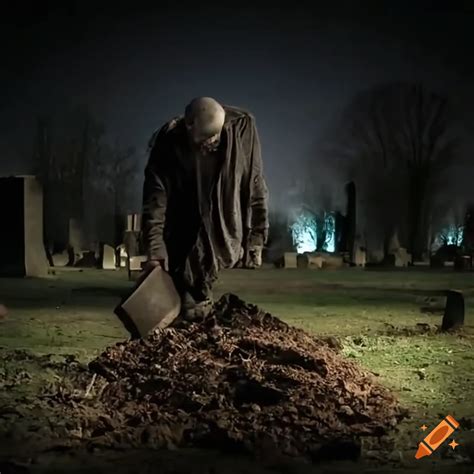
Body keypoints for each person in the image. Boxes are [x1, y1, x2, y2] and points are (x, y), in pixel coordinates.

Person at [141, 97, 269, 319]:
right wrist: (155, 252)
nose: (214, 142)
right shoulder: (167, 147)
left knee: (197, 294)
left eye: (217, 135)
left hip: (220, 224)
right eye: (208, 138)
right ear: (189, 127)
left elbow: (255, 185)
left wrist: (256, 237)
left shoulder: (240, 131)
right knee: (185, 298)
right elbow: (154, 202)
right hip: (182, 231)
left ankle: (197, 316)